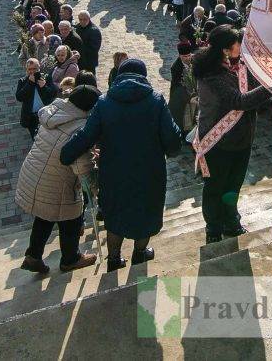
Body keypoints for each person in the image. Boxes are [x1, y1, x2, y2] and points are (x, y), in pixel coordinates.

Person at [60, 59, 182, 271]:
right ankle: (140, 253)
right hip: (149, 172)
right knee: (146, 211)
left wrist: (67, 153)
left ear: (118, 77)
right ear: (144, 77)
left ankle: (114, 259)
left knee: (115, 214)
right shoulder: (156, 100)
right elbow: (172, 141)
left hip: (114, 172)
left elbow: (86, 135)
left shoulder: (105, 102)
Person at [192, 26, 272, 243]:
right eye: (239, 42)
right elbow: (240, 101)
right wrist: (271, 86)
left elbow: (256, 96)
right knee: (215, 187)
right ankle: (213, 228)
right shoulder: (212, 75)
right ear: (226, 49)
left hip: (242, 140)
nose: (243, 45)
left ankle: (231, 221)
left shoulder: (237, 68)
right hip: (219, 142)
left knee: (233, 185)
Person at [15, 86, 100, 274]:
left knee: (45, 215)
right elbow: (81, 166)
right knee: (71, 216)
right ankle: (71, 258)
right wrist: (95, 187)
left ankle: (34, 255)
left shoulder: (54, 112)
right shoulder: (79, 128)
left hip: (34, 174)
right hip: (58, 181)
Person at [16, 58, 60, 138]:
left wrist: (44, 87)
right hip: (31, 117)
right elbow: (19, 97)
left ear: (39, 68)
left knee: (48, 137)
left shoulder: (46, 78)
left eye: (34, 69)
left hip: (46, 114)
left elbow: (53, 94)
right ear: (26, 70)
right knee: (35, 138)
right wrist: (29, 83)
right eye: (30, 69)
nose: (32, 71)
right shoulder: (22, 81)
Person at [168, 42, 197, 134]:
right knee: (185, 117)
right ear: (180, 55)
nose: (188, 58)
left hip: (195, 95)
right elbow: (178, 85)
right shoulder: (175, 67)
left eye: (189, 55)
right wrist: (189, 97)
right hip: (183, 96)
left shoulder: (195, 60)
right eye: (184, 57)